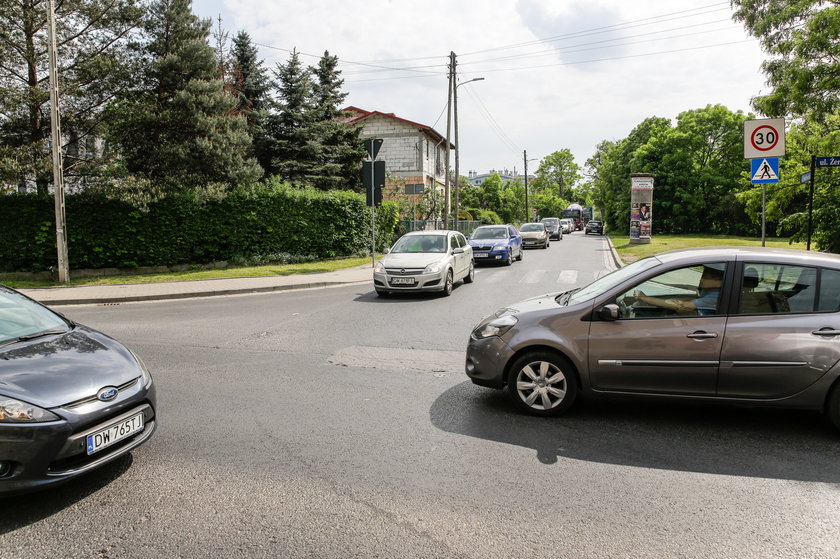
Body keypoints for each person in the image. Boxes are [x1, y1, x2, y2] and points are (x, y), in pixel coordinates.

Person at [633, 266, 724, 316]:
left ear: (719, 281)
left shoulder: (716, 296)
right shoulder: (710, 290)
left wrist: (645, 298)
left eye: (706, 277)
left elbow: (680, 305)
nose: (701, 280)